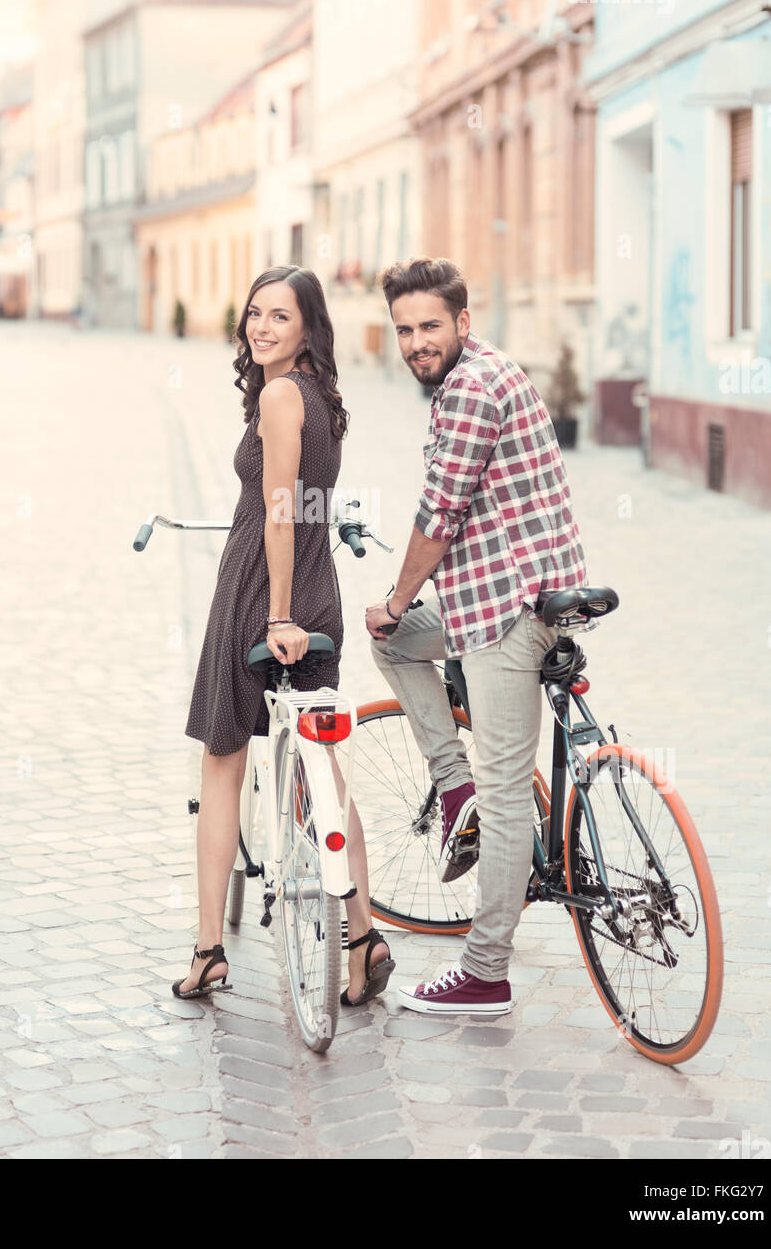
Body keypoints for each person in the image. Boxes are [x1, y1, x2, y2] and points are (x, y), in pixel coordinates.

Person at [364, 257, 587, 1016]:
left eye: (430, 326)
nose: (416, 342)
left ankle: (484, 972)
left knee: (501, 791)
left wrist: (395, 597)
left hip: (505, 610)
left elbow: (438, 516)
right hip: (518, 594)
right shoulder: (490, 370)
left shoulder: (466, 389)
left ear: (462, 321)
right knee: (396, 644)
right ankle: (451, 787)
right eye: (403, 330)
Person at [175, 265, 395, 1007]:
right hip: (320, 589)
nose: (262, 327)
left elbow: (275, 512)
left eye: (279, 316)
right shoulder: (323, 399)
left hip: (258, 594)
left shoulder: (276, 395)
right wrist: (300, 607)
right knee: (324, 769)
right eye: (254, 314)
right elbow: (306, 510)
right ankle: (361, 935)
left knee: (221, 764)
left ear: (308, 327)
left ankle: (208, 950)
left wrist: (274, 615)